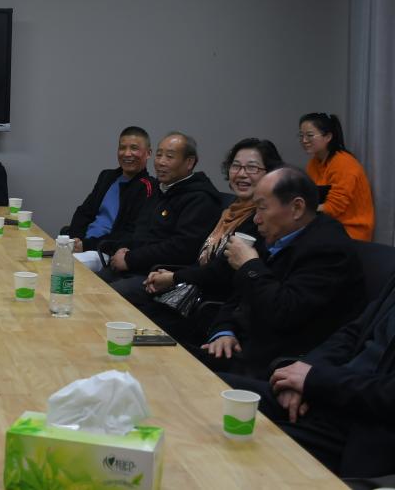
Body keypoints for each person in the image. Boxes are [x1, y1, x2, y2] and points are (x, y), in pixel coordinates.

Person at [222, 273, 395, 480]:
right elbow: (352, 333)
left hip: (363, 429)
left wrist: (314, 381)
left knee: (235, 454)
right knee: (211, 390)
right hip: (328, 393)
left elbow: (388, 395)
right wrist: (303, 373)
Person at [201, 166, 365, 378]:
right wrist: (224, 330)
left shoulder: (328, 250)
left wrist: (249, 265)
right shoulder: (276, 234)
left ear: (297, 208)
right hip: (239, 348)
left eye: (262, 208)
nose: (256, 219)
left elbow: (284, 313)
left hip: (278, 366)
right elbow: (238, 296)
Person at [121, 138, 283, 347]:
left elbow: (222, 272)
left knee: (131, 330)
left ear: (270, 174)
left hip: (209, 308)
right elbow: (201, 259)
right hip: (190, 294)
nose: (242, 174)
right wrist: (170, 274)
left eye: (252, 168)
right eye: (236, 166)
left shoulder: (260, 220)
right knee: (120, 317)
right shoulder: (229, 211)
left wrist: (173, 277)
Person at [97, 132, 221, 283]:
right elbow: (137, 229)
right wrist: (122, 248)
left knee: (106, 293)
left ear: (189, 162)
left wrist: (130, 259)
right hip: (134, 265)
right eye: (159, 155)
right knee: (86, 283)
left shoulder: (200, 198)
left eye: (169, 156)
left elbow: (181, 248)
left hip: (159, 275)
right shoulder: (158, 190)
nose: (161, 162)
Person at [65, 126, 155, 263]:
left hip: (105, 251)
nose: (127, 153)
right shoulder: (107, 177)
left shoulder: (148, 187)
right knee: (43, 255)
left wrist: (86, 245)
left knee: (66, 264)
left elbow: (130, 234)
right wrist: (76, 239)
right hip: (82, 244)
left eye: (134, 148)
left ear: (148, 153)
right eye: (122, 148)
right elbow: (84, 212)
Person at [299, 112, 375, 241]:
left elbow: (333, 208)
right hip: (327, 225)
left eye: (310, 135)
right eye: (301, 136)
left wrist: (302, 210)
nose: (304, 140)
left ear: (328, 137)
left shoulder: (344, 163)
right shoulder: (313, 163)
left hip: (351, 231)